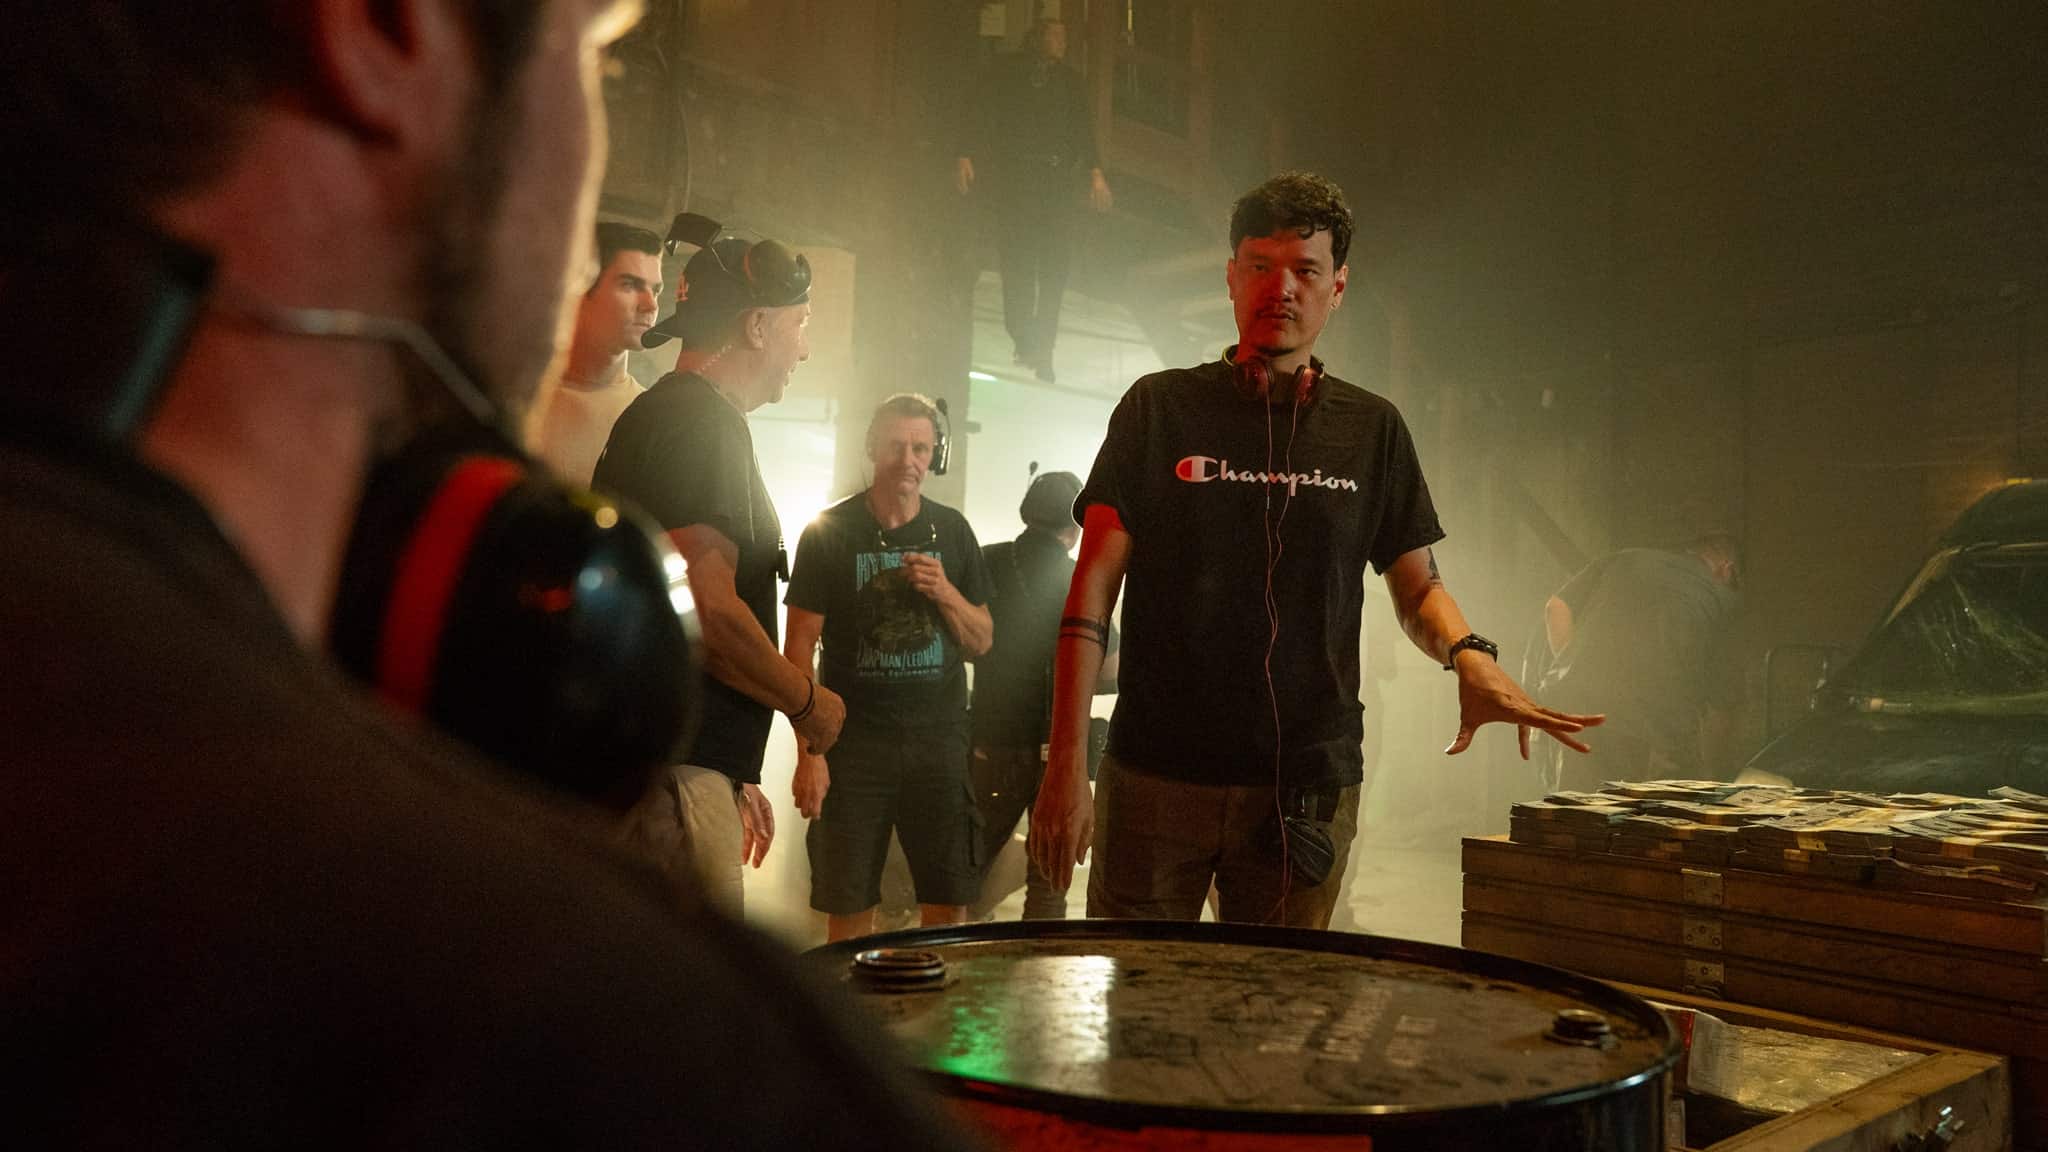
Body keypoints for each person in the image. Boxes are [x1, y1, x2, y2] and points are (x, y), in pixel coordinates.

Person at [0, 3, 968, 1147]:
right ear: (380, 31)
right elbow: (711, 605)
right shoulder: (655, 1057)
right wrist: (808, 703)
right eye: (592, 49)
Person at [1028, 171, 1605, 929]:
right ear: (1232, 277)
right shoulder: (1156, 408)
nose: (1283, 288)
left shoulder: (1374, 430)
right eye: (1261, 266)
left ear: (1338, 287)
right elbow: (1091, 591)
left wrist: (1470, 653)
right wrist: (1066, 762)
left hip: (1306, 786)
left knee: (1277, 1020)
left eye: (1305, 270)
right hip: (1155, 779)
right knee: (1137, 1009)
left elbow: (1419, 586)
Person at [596, 222, 846, 914]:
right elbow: (705, 608)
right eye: (800, 323)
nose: (806, 345)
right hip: (671, 781)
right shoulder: (702, 422)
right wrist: (805, 701)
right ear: (758, 326)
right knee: (675, 1013)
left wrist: (732, 775)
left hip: (677, 772)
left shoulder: (678, 416)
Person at [786, 394, 994, 942]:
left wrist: (946, 592)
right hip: (854, 748)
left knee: (948, 906)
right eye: (898, 446)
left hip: (939, 746)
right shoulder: (829, 532)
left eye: (922, 447)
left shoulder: (953, 532)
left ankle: (938, 1022)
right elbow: (797, 649)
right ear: (873, 449)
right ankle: (853, 1023)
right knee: (847, 907)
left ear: (936, 455)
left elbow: (982, 641)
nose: (910, 458)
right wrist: (811, 754)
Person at [966, 469, 1117, 921]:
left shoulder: (988, 560)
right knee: (1049, 883)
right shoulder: (1081, 577)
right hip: (1059, 751)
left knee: (965, 869)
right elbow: (1108, 671)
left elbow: (966, 640)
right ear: (1076, 526)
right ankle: (1039, 978)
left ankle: (957, 962)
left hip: (989, 740)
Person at [955, 17, 1112, 383]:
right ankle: (1024, 337)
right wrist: (964, 154)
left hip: (1055, 180)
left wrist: (1095, 172)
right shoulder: (1009, 73)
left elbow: (1083, 129)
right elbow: (979, 110)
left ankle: (1043, 346)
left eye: (1063, 36)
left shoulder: (1071, 82)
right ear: (1038, 37)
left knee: (1055, 265)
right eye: (1054, 35)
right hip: (1017, 178)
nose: (1060, 42)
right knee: (1019, 260)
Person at [1537, 535, 1743, 789]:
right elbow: (1723, 704)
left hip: (1578, 706)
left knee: (1575, 815)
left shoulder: (1625, 558)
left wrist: (1571, 667)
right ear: (1726, 568)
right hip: (1655, 728)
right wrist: (1714, 776)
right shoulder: (1720, 597)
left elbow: (1554, 608)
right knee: (1644, 821)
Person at [534, 221, 662, 486]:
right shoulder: (519, 399)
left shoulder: (653, 418)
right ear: (581, 284)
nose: (650, 305)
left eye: (656, 290)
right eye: (630, 285)